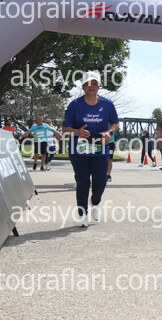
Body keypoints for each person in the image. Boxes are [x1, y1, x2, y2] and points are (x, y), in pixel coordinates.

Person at [62, 71, 119, 227]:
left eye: (94, 83)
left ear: (99, 86)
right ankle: (82, 214)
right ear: (83, 86)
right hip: (78, 149)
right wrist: (77, 132)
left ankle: (95, 202)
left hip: (100, 148)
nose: (91, 86)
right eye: (87, 83)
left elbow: (115, 123)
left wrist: (109, 132)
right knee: (83, 182)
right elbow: (65, 127)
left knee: (100, 181)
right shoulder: (75, 105)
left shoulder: (107, 104)